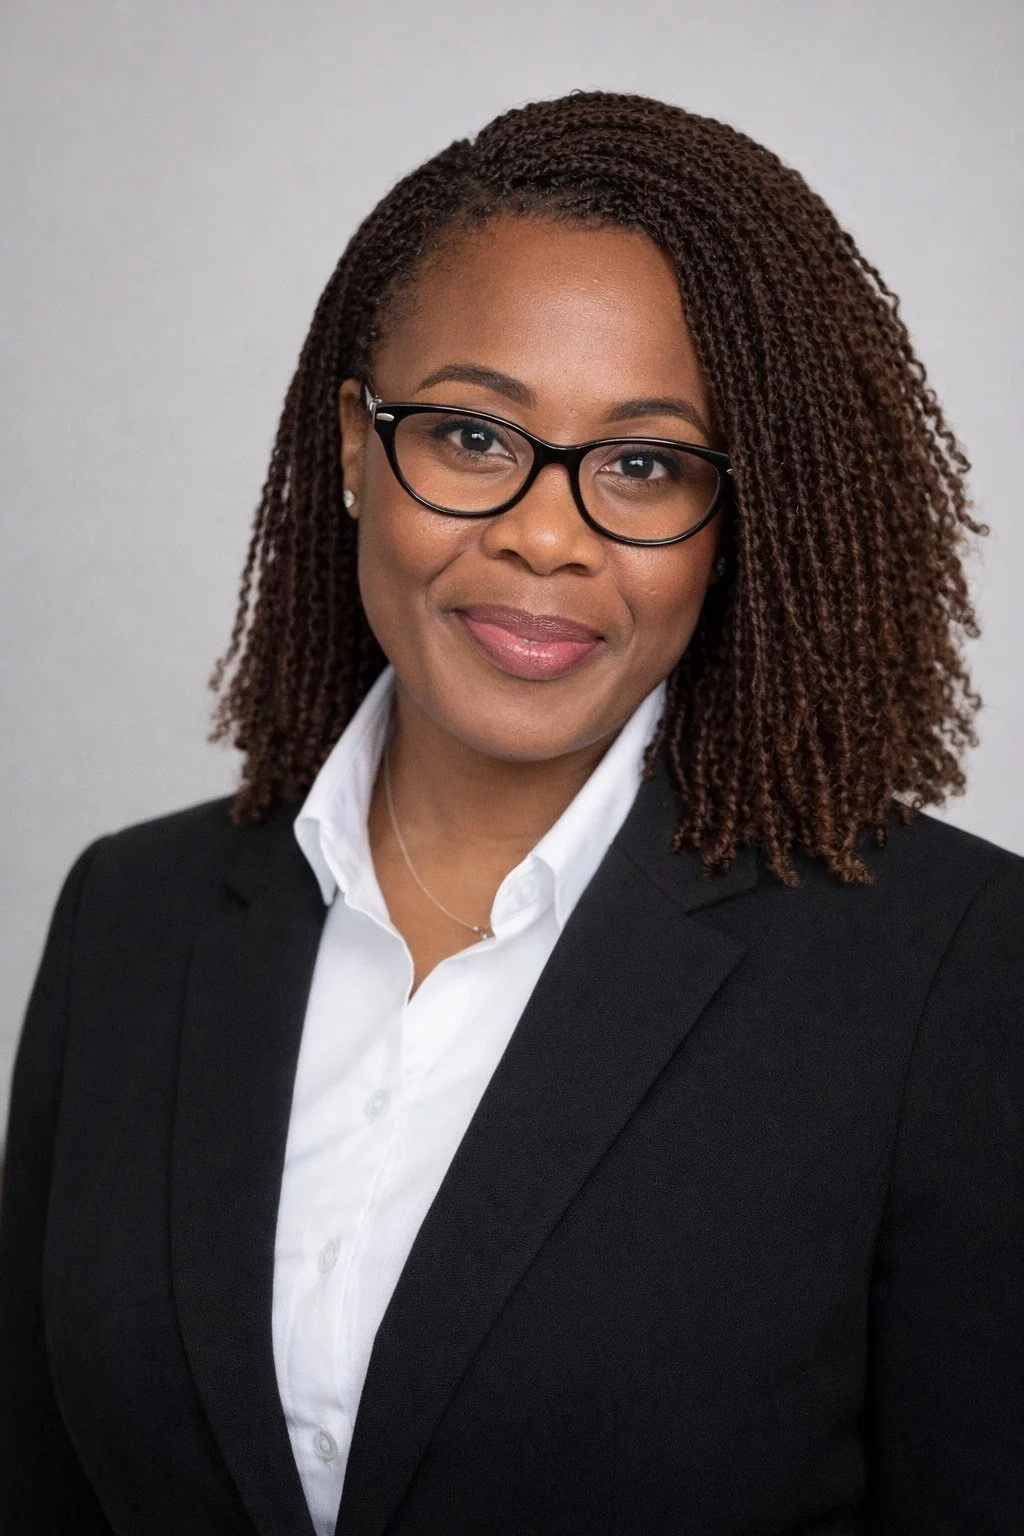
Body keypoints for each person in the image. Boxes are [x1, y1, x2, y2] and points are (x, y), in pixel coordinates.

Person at [0, 90, 1021, 1536]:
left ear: (738, 522)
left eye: (647, 464)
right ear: (355, 446)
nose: (546, 534)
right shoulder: (130, 914)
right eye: (475, 436)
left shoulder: (951, 967)